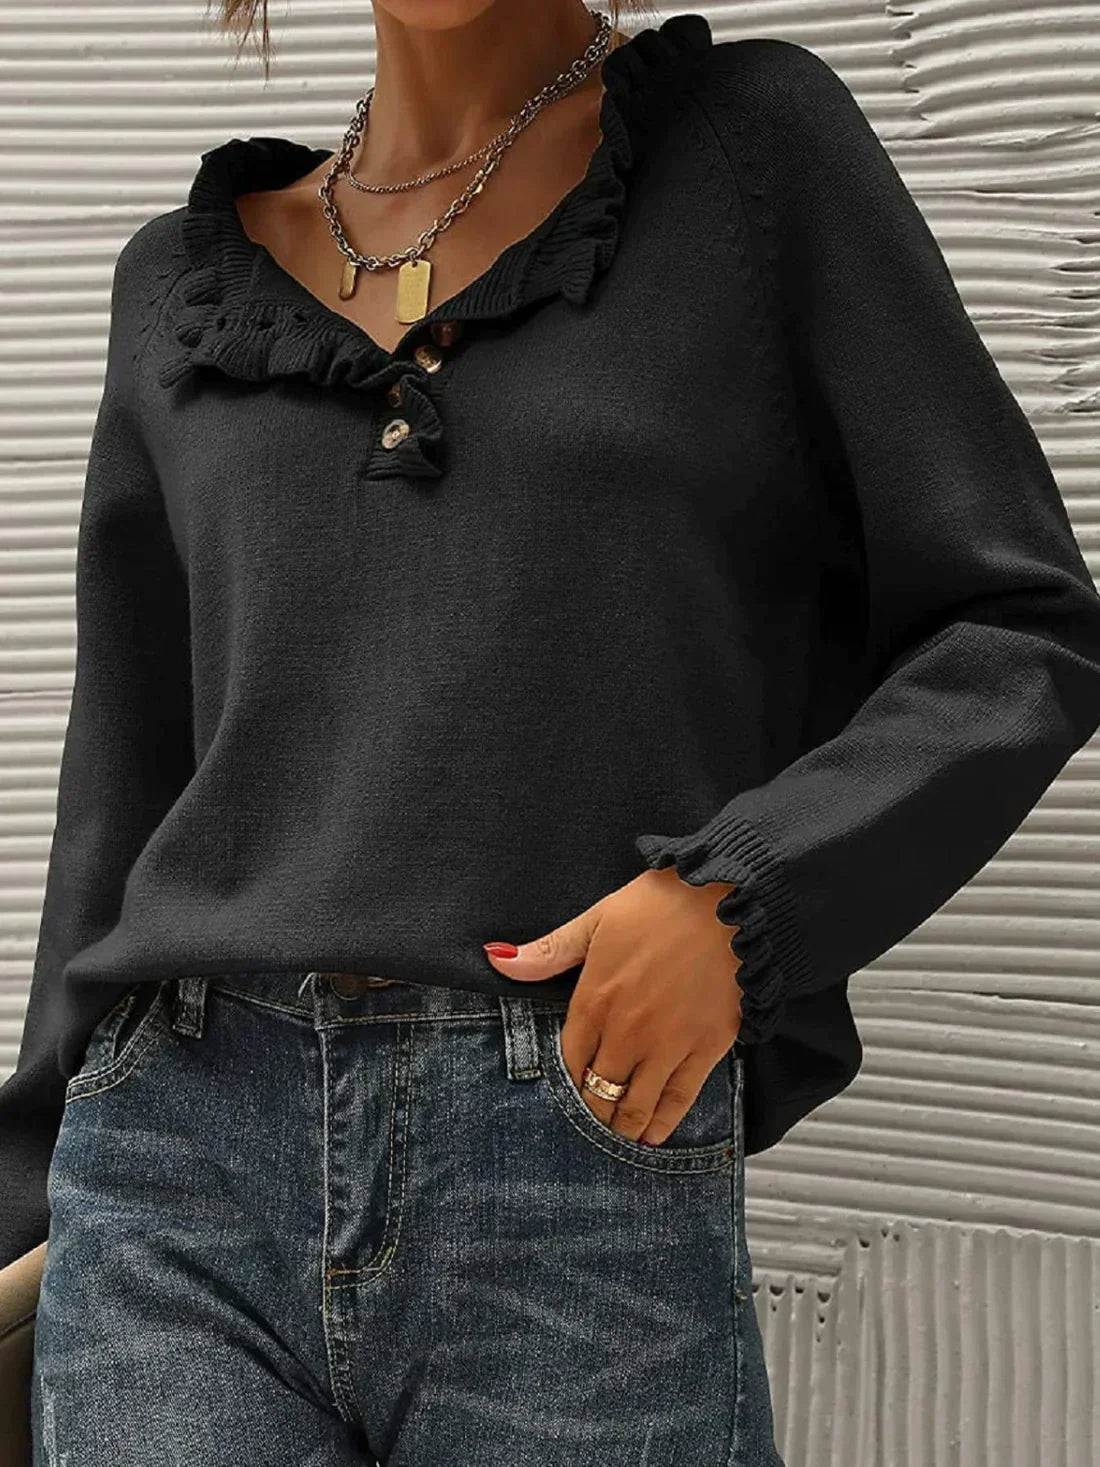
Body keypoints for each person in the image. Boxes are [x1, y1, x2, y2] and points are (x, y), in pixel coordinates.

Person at [5, 2, 1100, 1463]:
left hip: (574, 1153)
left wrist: (746, 896)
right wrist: (23, 1192)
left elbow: (1017, 629)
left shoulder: (750, 155)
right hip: (173, 1178)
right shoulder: (181, 283)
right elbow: (123, 778)